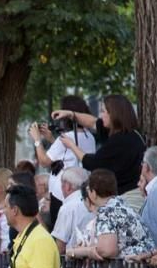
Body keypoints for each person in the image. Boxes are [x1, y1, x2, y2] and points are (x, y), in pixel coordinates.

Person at [54, 94, 146, 211]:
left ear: (114, 114)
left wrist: (71, 145)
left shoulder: (121, 141)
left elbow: (92, 163)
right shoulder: (128, 134)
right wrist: (71, 114)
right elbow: (92, 122)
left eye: (103, 111)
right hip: (126, 197)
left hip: (129, 200)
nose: (100, 115)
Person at [30, 95, 97, 227]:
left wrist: (37, 140)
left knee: (60, 232)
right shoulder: (89, 136)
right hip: (81, 192)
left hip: (62, 195)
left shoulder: (67, 137)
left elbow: (44, 161)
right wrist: (51, 139)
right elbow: (69, 154)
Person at [51, 167, 94, 253]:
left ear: (67, 186)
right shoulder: (94, 200)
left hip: (73, 262)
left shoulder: (67, 207)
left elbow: (60, 246)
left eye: (61, 184)